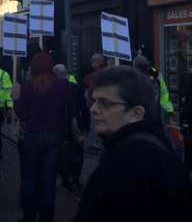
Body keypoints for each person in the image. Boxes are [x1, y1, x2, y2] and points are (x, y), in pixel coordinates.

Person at [74, 66, 191, 221]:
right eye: (94, 101)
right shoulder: (153, 144)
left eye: (105, 103)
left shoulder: (129, 160)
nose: (94, 109)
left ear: (136, 113)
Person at [14, 53, 72, 222]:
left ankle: (29, 216)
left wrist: (16, 100)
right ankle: (46, 217)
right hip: (55, 135)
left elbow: (22, 114)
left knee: (29, 176)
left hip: (32, 137)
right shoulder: (61, 86)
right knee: (48, 178)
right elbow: (68, 110)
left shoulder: (28, 87)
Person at [53, 64, 86, 195]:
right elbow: (83, 108)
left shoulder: (51, 89)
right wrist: (85, 126)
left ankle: (66, 178)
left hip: (59, 126)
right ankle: (75, 177)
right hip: (75, 124)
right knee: (77, 152)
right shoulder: (76, 88)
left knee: (62, 153)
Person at [133, 54, 175, 121]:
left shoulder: (133, 75)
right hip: (152, 114)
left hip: (142, 115)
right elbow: (164, 94)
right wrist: (170, 110)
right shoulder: (155, 73)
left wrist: (170, 110)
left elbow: (163, 93)